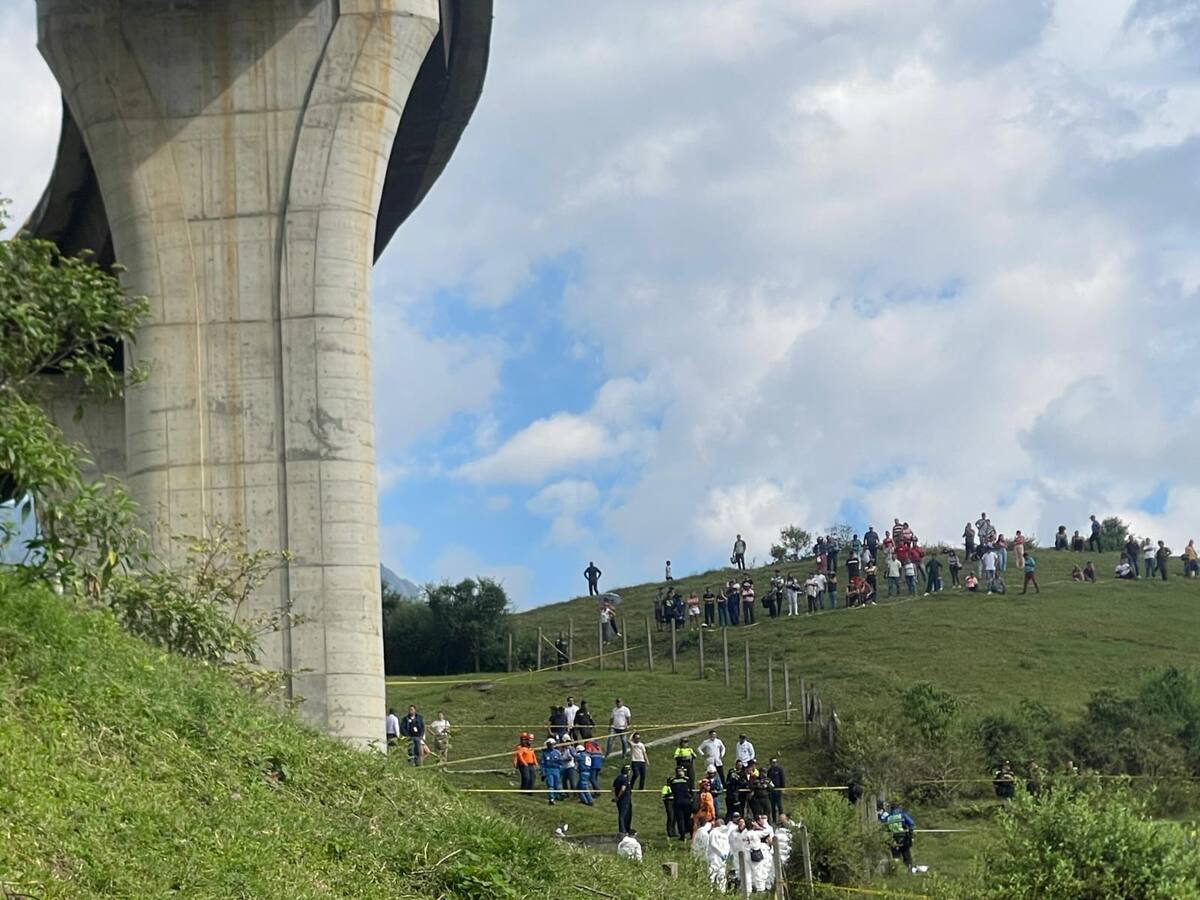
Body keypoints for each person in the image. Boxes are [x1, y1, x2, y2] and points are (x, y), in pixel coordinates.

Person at [884, 802, 918, 873]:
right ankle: (909, 871)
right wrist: (911, 833)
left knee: (896, 857)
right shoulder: (902, 815)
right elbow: (912, 824)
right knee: (906, 855)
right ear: (898, 808)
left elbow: (886, 829)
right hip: (903, 838)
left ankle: (896, 871)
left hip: (893, 840)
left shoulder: (888, 818)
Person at [706, 816, 732, 890]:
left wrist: (726, 854)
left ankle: (721, 890)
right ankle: (709, 889)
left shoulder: (725, 834)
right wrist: (720, 853)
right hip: (714, 856)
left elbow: (727, 845)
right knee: (712, 873)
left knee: (722, 874)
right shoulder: (713, 832)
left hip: (722, 858)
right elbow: (713, 844)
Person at [669, 766, 694, 841]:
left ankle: (682, 836)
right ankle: (691, 834)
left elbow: (672, 789)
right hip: (687, 801)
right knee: (688, 818)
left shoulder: (672, 780)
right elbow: (691, 789)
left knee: (680, 819)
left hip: (677, 801)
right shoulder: (687, 780)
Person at [540, 738, 563, 804]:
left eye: (553, 744)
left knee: (556, 785)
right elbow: (542, 764)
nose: (552, 746)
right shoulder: (545, 753)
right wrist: (543, 772)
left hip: (556, 770)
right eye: (550, 744)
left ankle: (555, 797)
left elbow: (561, 762)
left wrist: (559, 764)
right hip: (548, 770)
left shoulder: (557, 752)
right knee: (550, 785)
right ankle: (551, 798)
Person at [613, 764, 633, 834]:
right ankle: (623, 830)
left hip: (621, 799)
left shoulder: (618, 778)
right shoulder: (624, 779)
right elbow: (623, 788)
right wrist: (618, 796)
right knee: (623, 815)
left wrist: (615, 797)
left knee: (626, 814)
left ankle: (626, 828)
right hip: (624, 799)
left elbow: (613, 788)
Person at [766, 758, 786, 822]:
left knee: (779, 805)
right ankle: (774, 820)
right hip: (771, 790)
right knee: (772, 805)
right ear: (770, 763)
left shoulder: (779, 770)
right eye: (772, 762)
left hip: (778, 789)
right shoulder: (769, 771)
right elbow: (768, 780)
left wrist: (783, 788)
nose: (774, 763)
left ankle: (781, 819)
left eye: (775, 762)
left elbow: (782, 779)